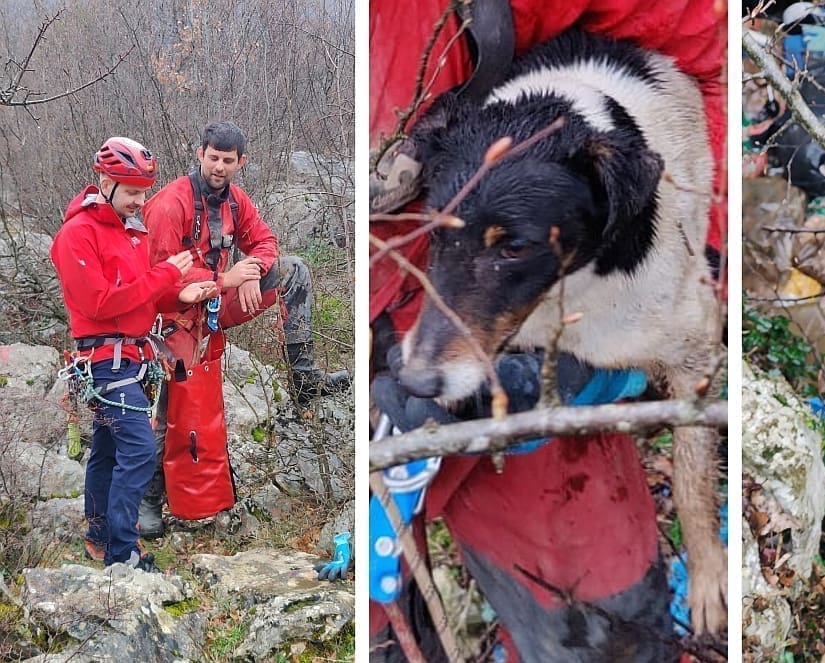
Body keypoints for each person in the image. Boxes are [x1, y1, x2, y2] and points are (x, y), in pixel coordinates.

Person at [369, 0, 726, 659]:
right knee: (373, 622)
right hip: (395, 316)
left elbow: (705, 44)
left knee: (606, 635)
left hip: (565, 269)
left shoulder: (609, 180)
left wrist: (703, 545)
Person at [137, 121, 352, 538]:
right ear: (199, 154)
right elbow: (161, 278)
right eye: (213, 158)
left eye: (228, 161)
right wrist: (226, 279)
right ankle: (149, 498)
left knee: (294, 272)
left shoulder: (235, 200)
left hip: (217, 303)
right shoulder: (170, 204)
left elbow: (265, 240)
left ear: (241, 162)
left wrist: (253, 271)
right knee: (175, 407)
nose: (219, 167)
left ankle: (304, 380)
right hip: (173, 317)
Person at [50, 137, 218, 572]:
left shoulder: (132, 232)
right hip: (104, 363)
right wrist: (165, 273)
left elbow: (141, 299)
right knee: (141, 450)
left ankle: (100, 537)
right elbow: (102, 304)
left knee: (108, 449)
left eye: (143, 192)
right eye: (131, 192)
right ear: (104, 181)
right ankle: (123, 552)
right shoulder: (77, 235)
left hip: (131, 359)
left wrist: (179, 293)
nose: (139, 201)